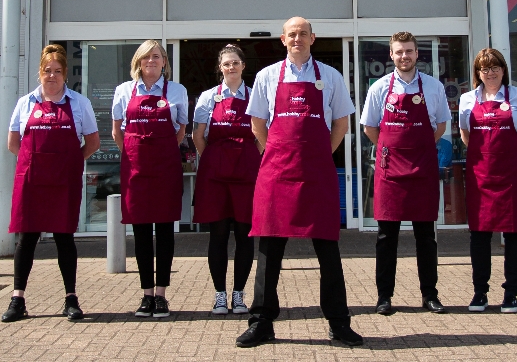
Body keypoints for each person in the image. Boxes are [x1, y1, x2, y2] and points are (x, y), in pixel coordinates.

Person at [235, 17, 362, 348]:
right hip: (276, 173)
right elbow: (257, 124)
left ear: (312, 38)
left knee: (328, 251)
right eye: (292, 34)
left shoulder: (331, 77)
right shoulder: (266, 77)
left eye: (303, 34)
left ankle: (338, 322)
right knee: (268, 250)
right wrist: (273, 153)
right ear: (282, 39)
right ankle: (261, 321)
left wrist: (320, 155)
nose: (297, 39)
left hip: (316, 174)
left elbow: (341, 124)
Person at [2, 44, 100, 323]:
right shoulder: (25, 103)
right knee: (26, 240)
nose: (52, 76)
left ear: (65, 74)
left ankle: (71, 299)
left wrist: (68, 163)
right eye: (47, 71)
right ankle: (17, 299)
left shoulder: (80, 103)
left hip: (63, 182)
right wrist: (37, 163)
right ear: (39, 74)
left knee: (64, 238)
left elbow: (92, 142)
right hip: (31, 181)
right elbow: (13, 144)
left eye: (58, 71)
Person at [361, 32, 450, 316]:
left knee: (426, 237)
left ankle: (430, 295)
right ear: (391, 55)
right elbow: (370, 128)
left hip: (422, 169)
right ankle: (384, 297)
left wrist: (417, 148)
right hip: (390, 172)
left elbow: (440, 127)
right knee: (387, 237)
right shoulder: (379, 88)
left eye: (409, 51)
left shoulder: (434, 87)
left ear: (416, 54)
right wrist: (391, 149)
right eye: (399, 52)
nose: (404, 56)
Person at [460, 48, 517, 313]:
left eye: (496, 67)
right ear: (478, 73)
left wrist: (516, 157)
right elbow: (466, 135)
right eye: (485, 69)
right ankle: (480, 293)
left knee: (514, 234)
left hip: (512, 177)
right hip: (480, 176)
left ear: (504, 70)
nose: (491, 73)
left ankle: (511, 293)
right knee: (479, 235)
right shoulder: (466, 100)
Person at [112, 40, 188, 318]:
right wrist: (135, 153)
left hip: (165, 167)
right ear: (138, 62)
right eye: (146, 57)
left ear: (164, 62)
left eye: (156, 56)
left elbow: (180, 130)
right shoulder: (123, 91)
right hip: (136, 169)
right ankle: (146, 294)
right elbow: (116, 132)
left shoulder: (178, 91)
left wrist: (162, 149)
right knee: (142, 232)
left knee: (165, 230)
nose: (151, 61)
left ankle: (162, 295)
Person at [193, 44, 261, 315]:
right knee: (218, 235)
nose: (231, 67)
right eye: (226, 64)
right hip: (215, 176)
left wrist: (247, 157)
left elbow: (261, 136)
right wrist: (213, 159)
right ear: (220, 68)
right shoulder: (208, 98)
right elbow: (199, 136)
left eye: (235, 62)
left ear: (243, 66)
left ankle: (239, 295)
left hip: (247, 174)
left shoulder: (256, 96)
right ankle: (220, 295)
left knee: (245, 235)